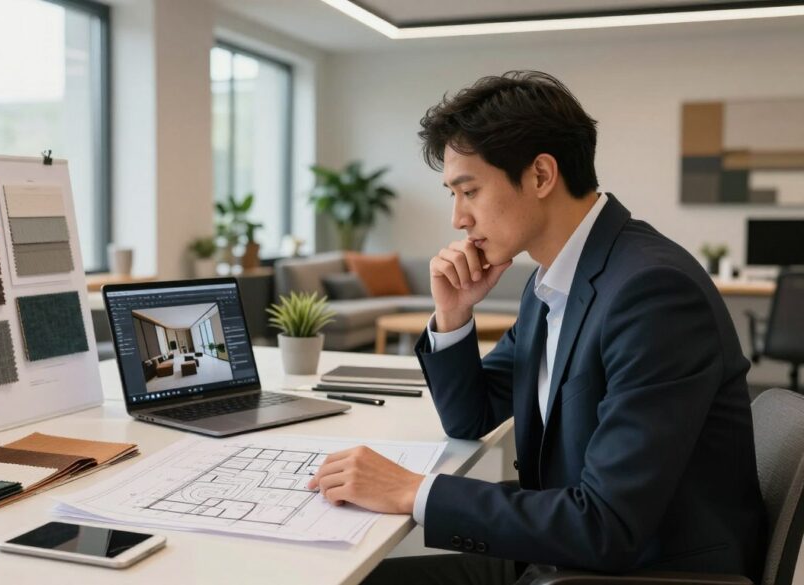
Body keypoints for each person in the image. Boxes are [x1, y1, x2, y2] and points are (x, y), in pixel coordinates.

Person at [306, 71, 767, 584]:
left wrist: (412, 491)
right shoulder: (551, 282)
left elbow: (608, 525)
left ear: (542, 175)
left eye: (469, 191)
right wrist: (454, 315)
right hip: (562, 553)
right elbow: (471, 418)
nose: (458, 218)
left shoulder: (652, 293)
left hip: (637, 572)